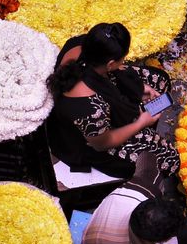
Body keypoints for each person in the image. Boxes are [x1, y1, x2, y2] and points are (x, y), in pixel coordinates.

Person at [46, 22, 179, 191]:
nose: (123, 61)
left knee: (159, 80)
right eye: (122, 58)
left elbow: (116, 73)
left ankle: (139, 118)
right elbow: (103, 143)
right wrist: (141, 123)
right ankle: (139, 128)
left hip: (99, 85)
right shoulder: (91, 110)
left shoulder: (82, 45)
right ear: (109, 64)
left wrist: (139, 88)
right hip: (90, 143)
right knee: (170, 159)